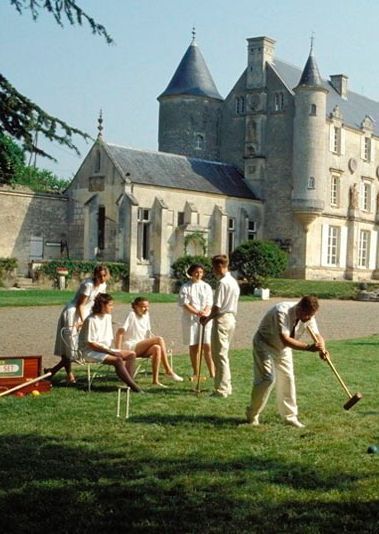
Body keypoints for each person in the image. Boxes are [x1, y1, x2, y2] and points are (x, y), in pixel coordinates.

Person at [246, 295, 327, 428]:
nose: (309, 318)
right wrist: (309, 348)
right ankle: (252, 414)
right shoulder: (281, 311)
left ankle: (290, 417)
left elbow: (317, 336)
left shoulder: (309, 315)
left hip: (283, 349)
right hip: (264, 343)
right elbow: (285, 339)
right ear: (300, 307)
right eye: (307, 315)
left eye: (311, 316)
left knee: (288, 378)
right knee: (268, 379)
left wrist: (322, 348)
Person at [47, 264, 110, 384]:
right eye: (100, 275)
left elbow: (99, 303)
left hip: (87, 313)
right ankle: (69, 375)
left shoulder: (103, 285)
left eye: (104, 275)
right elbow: (80, 304)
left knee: (76, 347)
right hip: (74, 313)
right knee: (69, 345)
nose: (102, 278)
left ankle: (52, 371)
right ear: (95, 275)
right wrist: (84, 321)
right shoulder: (88, 285)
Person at [78, 293, 141, 392]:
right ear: (102, 305)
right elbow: (91, 344)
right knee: (118, 360)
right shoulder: (91, 320)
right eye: (110, 305)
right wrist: (111, 352)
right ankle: (134, 387)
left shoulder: (107, 317)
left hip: (104, 349)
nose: (112, 307)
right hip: (89, 352)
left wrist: (111, 351)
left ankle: (129, 383)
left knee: (131, 354)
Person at [115, 297, 184, 387]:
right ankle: (168, 370)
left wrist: (153, 342)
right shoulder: (131, 315)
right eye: (143, 307)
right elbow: (120, 333)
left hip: (141, 345)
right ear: (136, 307)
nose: (146, 309)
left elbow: (148, 333)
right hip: (130, 346)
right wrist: (118, 351)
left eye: (147, 306)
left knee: (157, 348)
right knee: (159, 339)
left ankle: (155, 381)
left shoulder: (146, 315)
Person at [200, 254, 240, 398]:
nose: (213, 270)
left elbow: (217, 307)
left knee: (219, 355)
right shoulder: (233, 281)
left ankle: (222, 389)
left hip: (222, 319)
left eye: (214, 267)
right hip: (231, 319)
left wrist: (207, 319)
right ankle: (225, 386)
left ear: (219, 266)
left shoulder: (223, 283)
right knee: (223, 354)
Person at [178, 263, 215, 381]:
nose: (199, 275)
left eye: (201, 272)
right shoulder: (186, 287)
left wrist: (205, 311)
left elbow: (210, 302)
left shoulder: (206, 286)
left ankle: (212, 372)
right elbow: (185, 303)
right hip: (191, 319)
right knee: (194, 346)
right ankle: (196, 372)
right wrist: (196, 312)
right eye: (196, 272)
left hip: (205, 319)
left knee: (207, 345)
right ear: (191, 273)